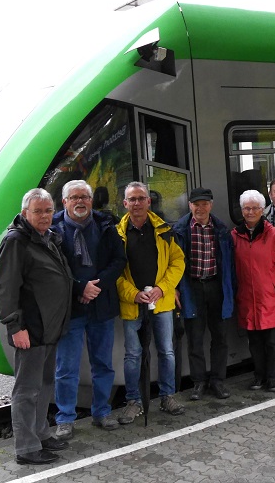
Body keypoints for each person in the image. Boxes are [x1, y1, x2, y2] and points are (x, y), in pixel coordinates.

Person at [0, 188, 73, 465]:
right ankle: (26, 448)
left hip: (51, 328)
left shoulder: (47, 238)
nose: (44, 216)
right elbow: (5, 289)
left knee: (44, 384)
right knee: (27, 390)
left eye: (48, 210)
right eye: (38, 211)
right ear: (25, 213)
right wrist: (16, 326)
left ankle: (41, 434)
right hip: (32, 328)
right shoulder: (16, 241)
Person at [52, 181, 126, 441]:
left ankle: (102, 412)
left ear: (92, 200)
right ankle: (65, 419)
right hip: (70, 308)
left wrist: (98, 285)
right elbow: (51, 270)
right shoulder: (53, 230)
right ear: (64, 202)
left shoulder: (106, 225)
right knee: (66, 367)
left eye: (84, 196)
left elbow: (119, 259)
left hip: (101, 305)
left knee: (103, 364)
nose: (80, 201)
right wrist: (80, 287)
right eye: (74, 197)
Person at [116, 182, 186, 424]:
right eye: (132, 199)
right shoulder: (117, 234)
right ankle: (133, 402)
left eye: (141, 198)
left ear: (149, 202)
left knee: (166, 351)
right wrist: (133, 294)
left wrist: (161, 289)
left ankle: (168, 396)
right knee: (133, 354)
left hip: (162, 302)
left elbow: (178, 262)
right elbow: (114, 272)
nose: (136, 203)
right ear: (125, 204)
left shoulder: (164, 230)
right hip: (133, 303)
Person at [173, 187, 236, 401]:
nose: (200, 208)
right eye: (196, 204)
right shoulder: (180, 229)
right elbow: (172, 263)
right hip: (191, 289)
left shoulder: (221, 229)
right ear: (189, 205)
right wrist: (175, 288)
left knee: (220, 337)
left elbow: (229, 263)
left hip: (216, 286)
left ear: (211, 205)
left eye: (204, 203)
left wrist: (230, 288)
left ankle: (218, 381)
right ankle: (199, 382)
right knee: (195, 338)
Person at [231, 190, 275, 392]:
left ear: (262, 210)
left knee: (274, 342)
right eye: (247, 208)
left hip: (271, 297)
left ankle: (274, 378)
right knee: (255, 343)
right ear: (242, 211)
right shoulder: (234, 236)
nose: (250, 212)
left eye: (255, 208)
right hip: (247, 297)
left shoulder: (274, 234)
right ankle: (259, 376)